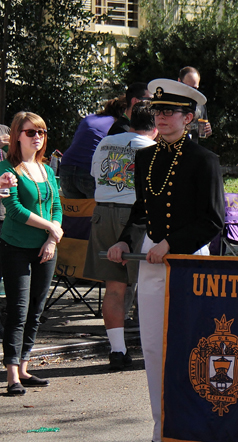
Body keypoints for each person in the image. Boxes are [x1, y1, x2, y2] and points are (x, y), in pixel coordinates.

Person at [107, 79, 224, 442]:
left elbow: (213, 221)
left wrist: (171, 245)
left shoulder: (203, 160)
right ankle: (163, 429)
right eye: (157, 111)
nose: (162, 117)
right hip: (151, 259)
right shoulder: (145, 157)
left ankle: (188, 428)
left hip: (187, 261)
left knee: (187, 346)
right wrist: (125, 240)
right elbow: (141, 211)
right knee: (154, 345)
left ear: (188, 118)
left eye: (170, 112)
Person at [84, 103, 157, 371]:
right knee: (147, 284)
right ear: (156, 127)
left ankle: (117, 349)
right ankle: (152, 347)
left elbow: (96, 175)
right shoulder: (150, 148)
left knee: (114, 287)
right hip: (134, 217)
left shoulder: (106, 143)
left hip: (102, 213)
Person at [1, 112, 62, 396]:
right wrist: (50, 226)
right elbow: (14, 210)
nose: (37, 137)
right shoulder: (7, 169)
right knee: (18, 310)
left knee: (36, 310)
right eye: (30, 132)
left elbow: (58, 206)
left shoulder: (47, 170)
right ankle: (11, 373)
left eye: (42, 132)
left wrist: (52, 237)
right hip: (16, 247)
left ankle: (24, 368)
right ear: (17, 136)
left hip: (46, 248)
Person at [59, 97, 127, 199]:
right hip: (88, 169)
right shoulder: (117, 125)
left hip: (66, 166)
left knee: (76, 212)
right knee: (96, 211)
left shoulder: (89, 118)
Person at [178, 67, 212, 140]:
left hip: (192, 148)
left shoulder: (200, 103)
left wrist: (207, 131)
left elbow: (202, 132)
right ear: (179, 81)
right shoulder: (170, 102)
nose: (192, 91)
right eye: (188, 87)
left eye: (195, 88)